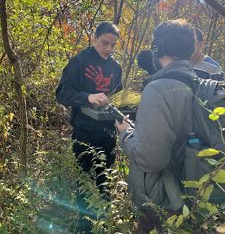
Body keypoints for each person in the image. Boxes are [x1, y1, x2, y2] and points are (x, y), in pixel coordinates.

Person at [116, 19, 196, 233]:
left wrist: (126, 133)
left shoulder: (159, 89)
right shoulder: (197, 82)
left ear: (157, 48)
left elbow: (150, 159)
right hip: (190, 191)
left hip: (160, 199)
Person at [56, 22, 122, 232]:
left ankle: (104, 222)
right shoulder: (79, 61)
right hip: (84, 132)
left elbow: (117, 96)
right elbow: (62, 93)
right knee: (84, 181)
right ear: (95, 38)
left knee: (105, 180)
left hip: (108, 133)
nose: (108, 49)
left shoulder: (116, 67)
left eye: (113, 45)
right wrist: (88, 97)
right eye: (105, 43)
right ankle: (84, 225)